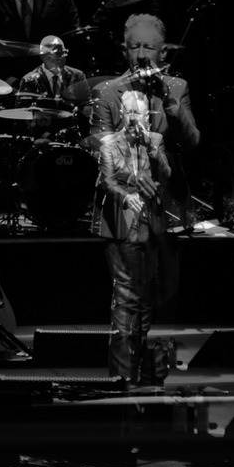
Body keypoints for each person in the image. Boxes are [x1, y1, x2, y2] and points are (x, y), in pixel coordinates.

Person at [90, 13, 200, 320]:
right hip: (124, 206)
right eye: (134, 46)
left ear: (162, 53)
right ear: (124, 50)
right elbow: (100, 148)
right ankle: (127, 352)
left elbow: (192, 141)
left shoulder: (177, 87)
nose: (141, 54)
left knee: (165, 296)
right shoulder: (107, 91)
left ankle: (149, 350)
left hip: (169, 205)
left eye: (148, 47)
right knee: (129, 299)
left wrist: (170, 102)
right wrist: (133, 175)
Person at [98, 90, 172, 384]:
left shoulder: (155, 140)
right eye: (128, 112)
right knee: (126, 298)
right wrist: (126, 196)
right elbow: (106, 181)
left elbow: (166, 173)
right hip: (121, 228)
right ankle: (121, 377)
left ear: (145, 117)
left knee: (145, 299)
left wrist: (152, 149)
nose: (132, 118)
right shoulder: (109, 144)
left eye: (137, 113)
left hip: (149, 227)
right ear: (121, 114)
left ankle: (138, 369)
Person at [17, 36, 86, 98]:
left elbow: (86, 104)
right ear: (43, 56)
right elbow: (23, 107)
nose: (62, 57)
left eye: (64, 52)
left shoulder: (77, 75)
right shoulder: (29, 80)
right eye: (57, 53)